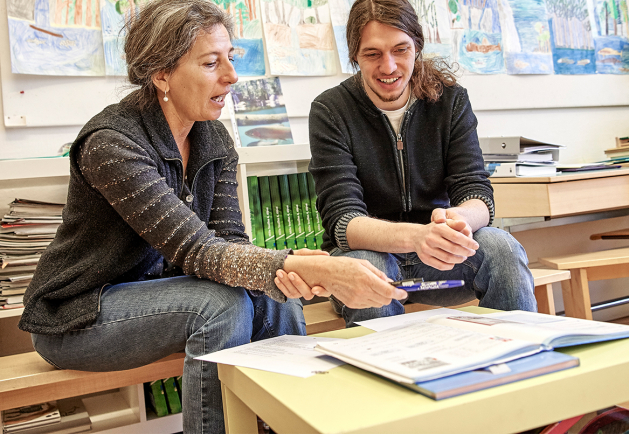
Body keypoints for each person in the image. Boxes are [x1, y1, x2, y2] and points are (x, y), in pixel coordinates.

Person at [17, 1, 407, 432]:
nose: (232, 76)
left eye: (231, 58)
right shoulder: (111, 143)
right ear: (161, 73)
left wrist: (288, 269)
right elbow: (196, 250)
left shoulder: (213, 134)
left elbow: (230, 243)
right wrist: (299, 264)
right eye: (210, 63)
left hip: (163, 295)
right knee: (218, 306)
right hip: (78, 317)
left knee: (277, 299)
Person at [308, 0, 537, 328]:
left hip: (440, 257)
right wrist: (416, 237)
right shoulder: (331, 110)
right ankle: (384, 372)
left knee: (501, 246)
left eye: (400, 50)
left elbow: (477, 194)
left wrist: (456, 220)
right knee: (368, 263)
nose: (389, 67)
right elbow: (344, 222)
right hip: (368, 257)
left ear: (417, 47)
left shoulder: (451, 100)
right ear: (354, 56)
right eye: (373, 54)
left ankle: (522, 360)